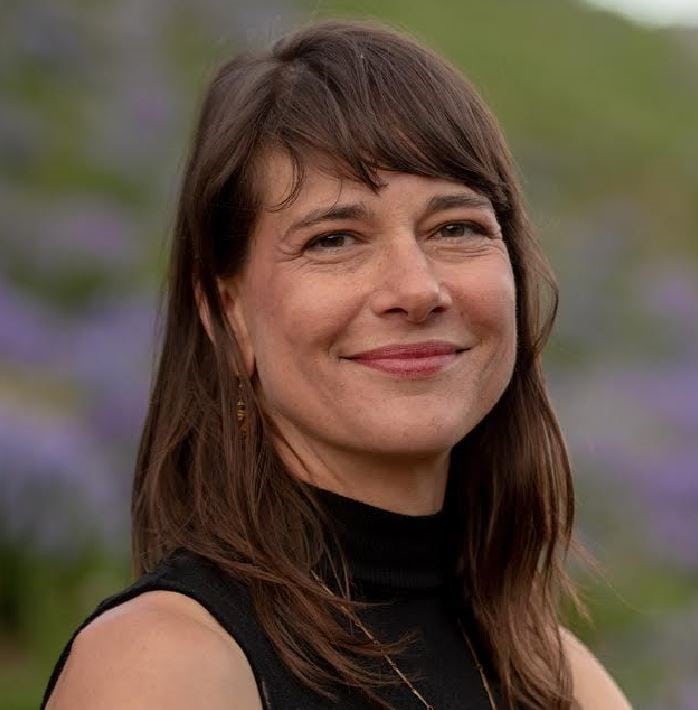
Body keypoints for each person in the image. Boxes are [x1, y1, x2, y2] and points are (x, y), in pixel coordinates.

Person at [42, 18, 633, 710]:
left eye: (456, 228)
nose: (416, 289)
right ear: (226, 314)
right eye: (334, 239)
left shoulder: (556, 676)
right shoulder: (166, 666)